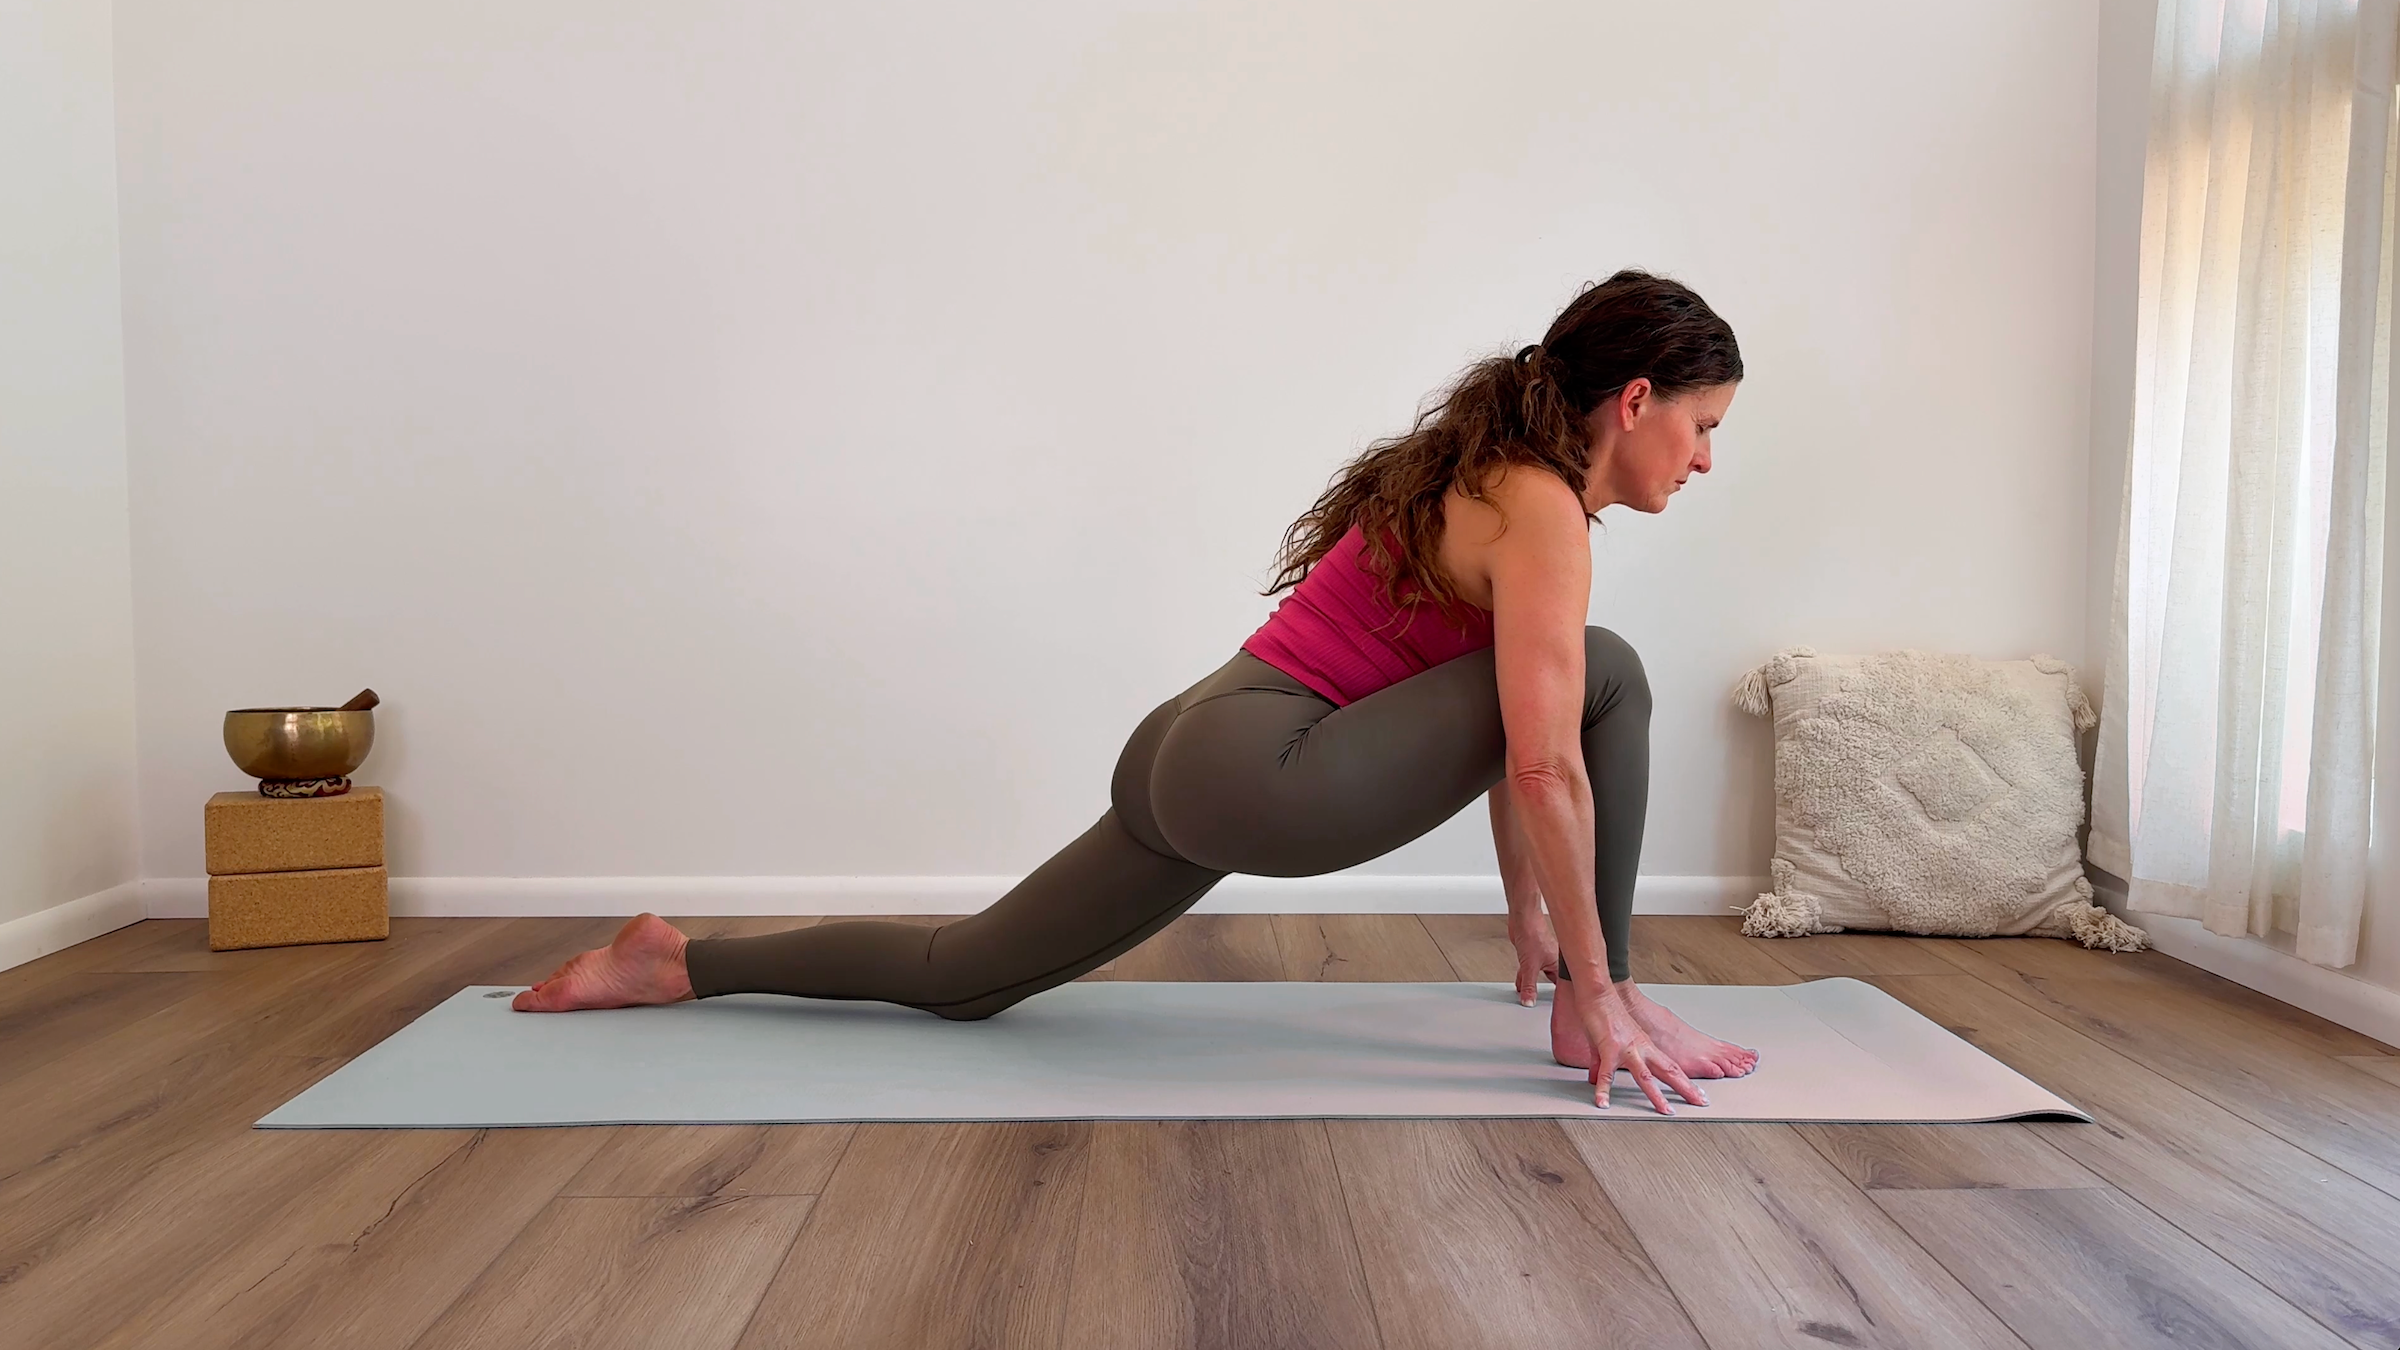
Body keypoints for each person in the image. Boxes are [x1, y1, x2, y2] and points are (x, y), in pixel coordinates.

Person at [513, 268, 1759, 1114]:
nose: (1705, 458)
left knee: (968, 974)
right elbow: (1541, 755)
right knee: (1616, 672)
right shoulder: (1545, 512)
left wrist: (1530, 920)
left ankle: (676, 963)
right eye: (1702, 425)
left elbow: (1498, 729)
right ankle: (1626, 999)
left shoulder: (1490, 470)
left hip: (1196, 742)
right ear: (1635, 401)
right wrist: (1598, 986)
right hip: (1267, 774)